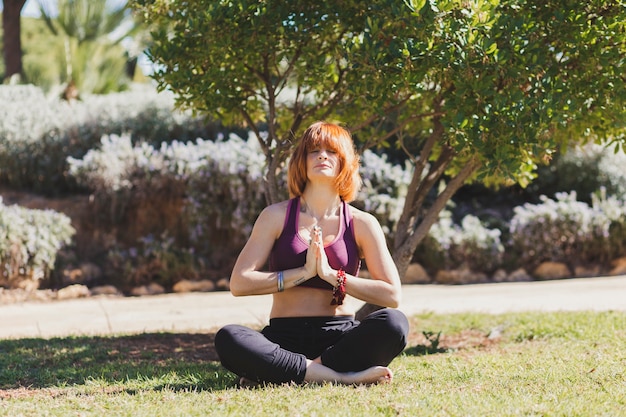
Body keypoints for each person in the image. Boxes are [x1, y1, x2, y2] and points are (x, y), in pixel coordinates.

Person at [214, 121, 409, 386]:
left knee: (394, 324)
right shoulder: (275, 217)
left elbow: (391, 294)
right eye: (313, 150)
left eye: (331, 151)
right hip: (283, 337)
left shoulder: (362, 223)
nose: (322, 156)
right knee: (229, 337)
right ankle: (340, 378)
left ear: (344, 163)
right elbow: (240, 283)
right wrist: (303, 273)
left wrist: (331, 276)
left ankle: (291, 373)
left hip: (339, 339)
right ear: (301, 161)